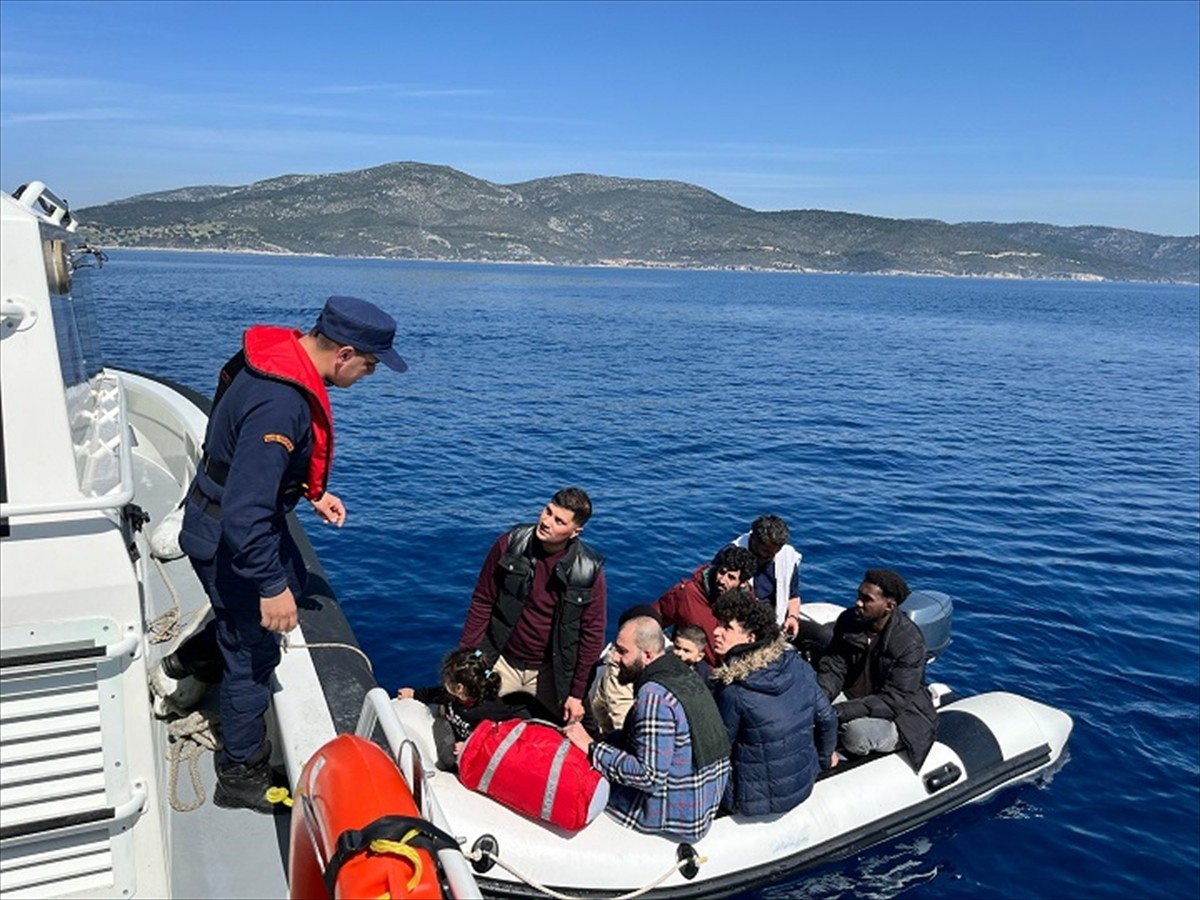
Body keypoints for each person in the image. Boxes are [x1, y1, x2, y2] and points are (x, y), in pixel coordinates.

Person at [152, 295, 407, 812]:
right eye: (370, 365)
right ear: (345, 354)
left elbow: (244, 457)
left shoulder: (276, 357)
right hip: (231, 529)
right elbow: (247, 512)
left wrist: (313, 493)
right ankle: (239, 775)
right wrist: (270, 587)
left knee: (256, 605)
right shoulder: (282, 403)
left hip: (218, 512)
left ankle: (187, 660)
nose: (369, 375)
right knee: (254, 652)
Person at [564, 616, 731, 842]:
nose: (613, 658)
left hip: (676, 817)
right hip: (704, 803)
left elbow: (648, 776)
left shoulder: (653, 697)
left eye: (622, 652)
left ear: (648, 655)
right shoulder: (685, 674)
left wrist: (592, 748)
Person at [459, 487, 606, 726]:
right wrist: (466, 658)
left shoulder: (588, 571)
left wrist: (577, 694)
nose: (547, 522)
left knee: (576, 730)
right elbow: (482, 601)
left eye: (559, 521)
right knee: (465, 714)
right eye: (548, 511)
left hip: (550, 671)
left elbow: (592, 635)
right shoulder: (510, 544)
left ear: (575, 532)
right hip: (502, 659)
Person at [709, 590, 838, 816]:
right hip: (804, 781)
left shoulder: (733, 690)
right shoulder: (796, 664)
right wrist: (824, 760)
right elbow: (827, 719)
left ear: (750, 639)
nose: (716, 632)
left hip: (749, 801)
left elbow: (716, 753)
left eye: (727, 628)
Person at [816, 568, 938, 771]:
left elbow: (894, 700)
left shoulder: (909, 643)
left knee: (855, 735)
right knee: (809, 701)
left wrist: (841, 712)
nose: (858, 602)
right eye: (858, 595)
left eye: (867, 599)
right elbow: (834, 666)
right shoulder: (848, 621)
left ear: (889, 606)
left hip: (896, 715)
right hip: (855, 696)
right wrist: (821, 695)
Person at [397, 648, 554, 771]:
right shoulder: (450, 695)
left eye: (447, 679)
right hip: (459, 739)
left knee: (445, 746)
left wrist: (469, 745)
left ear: (459, 688)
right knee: (440, 722)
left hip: (474, 749)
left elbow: (498, 738)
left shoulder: (491, 710)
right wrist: (413, 694)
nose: (444, 682)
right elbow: (433, 694)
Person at [652, 544, 758, 667]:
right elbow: (653, 619)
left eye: (731, 577)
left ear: (742, 583)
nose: (722, 580)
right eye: (721, 572)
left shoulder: (748, 606)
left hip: (730, 671)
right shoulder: (686, 593)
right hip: (692, 669)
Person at [588, 603, 662, 735]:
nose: (616, 657)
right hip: (606, 730)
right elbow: (621, 718)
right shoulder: (618, 669)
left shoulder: (667, 656)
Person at [730, 514, 803, 637]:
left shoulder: (787, 559)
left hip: (773, 625)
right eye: (763, 553)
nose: (766, 558)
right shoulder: (731, 555)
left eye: (772, 555)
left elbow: (793, 597)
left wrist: (792, 617)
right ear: (752, 539)